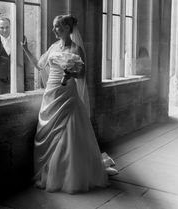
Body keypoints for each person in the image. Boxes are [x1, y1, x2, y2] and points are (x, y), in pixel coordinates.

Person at [21, 14, 117, 194]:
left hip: (67, 94)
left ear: (66, 28)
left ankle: (68, 176)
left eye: (56, 27)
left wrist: (69, 75)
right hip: (51, 93)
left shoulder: (76, 49)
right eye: (53, 27)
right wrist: (25, 49)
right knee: (47, 129)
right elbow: (39, 66)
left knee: (69, 131)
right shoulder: (53, 47)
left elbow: (82, 75)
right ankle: (50, 172)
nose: (53, 30)